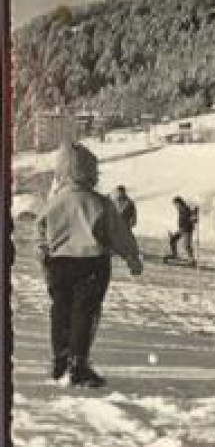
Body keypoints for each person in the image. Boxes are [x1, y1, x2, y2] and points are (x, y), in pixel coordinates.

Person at [36, 142, 144, 387]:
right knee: (85, 312)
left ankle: (59, 360)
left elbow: (40, 233)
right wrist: (132, 258)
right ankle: (78, 364)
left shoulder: (53, 202)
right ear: (88, 171)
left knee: (60, 311)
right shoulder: (99, 203)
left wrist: (43, 256)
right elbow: (119, 234)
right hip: (92, 264)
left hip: (58, 264)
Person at [168, 196, 198, 262]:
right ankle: (175, 254)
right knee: (173, 240)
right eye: (175, 205)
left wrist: (195, 215)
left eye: (176, 204)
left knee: (187, 245)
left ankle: (192, 259)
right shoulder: (181, 209)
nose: (175, 206)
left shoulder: (186, 209)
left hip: (187, 230)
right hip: (182, 229)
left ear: (179, 203)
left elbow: (193, 219)